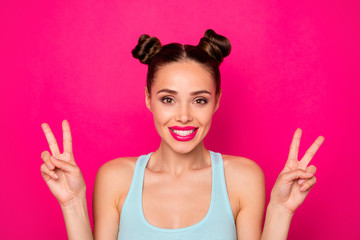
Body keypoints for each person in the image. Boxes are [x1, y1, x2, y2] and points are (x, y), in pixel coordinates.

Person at [40, 29, 324, 240]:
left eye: (199, 100)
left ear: (217, 101)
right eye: (168, 99)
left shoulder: (242, 177)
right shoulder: (115, 179)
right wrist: (73, 203)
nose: (184, 116)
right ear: (149, 99)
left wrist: (281, 211)